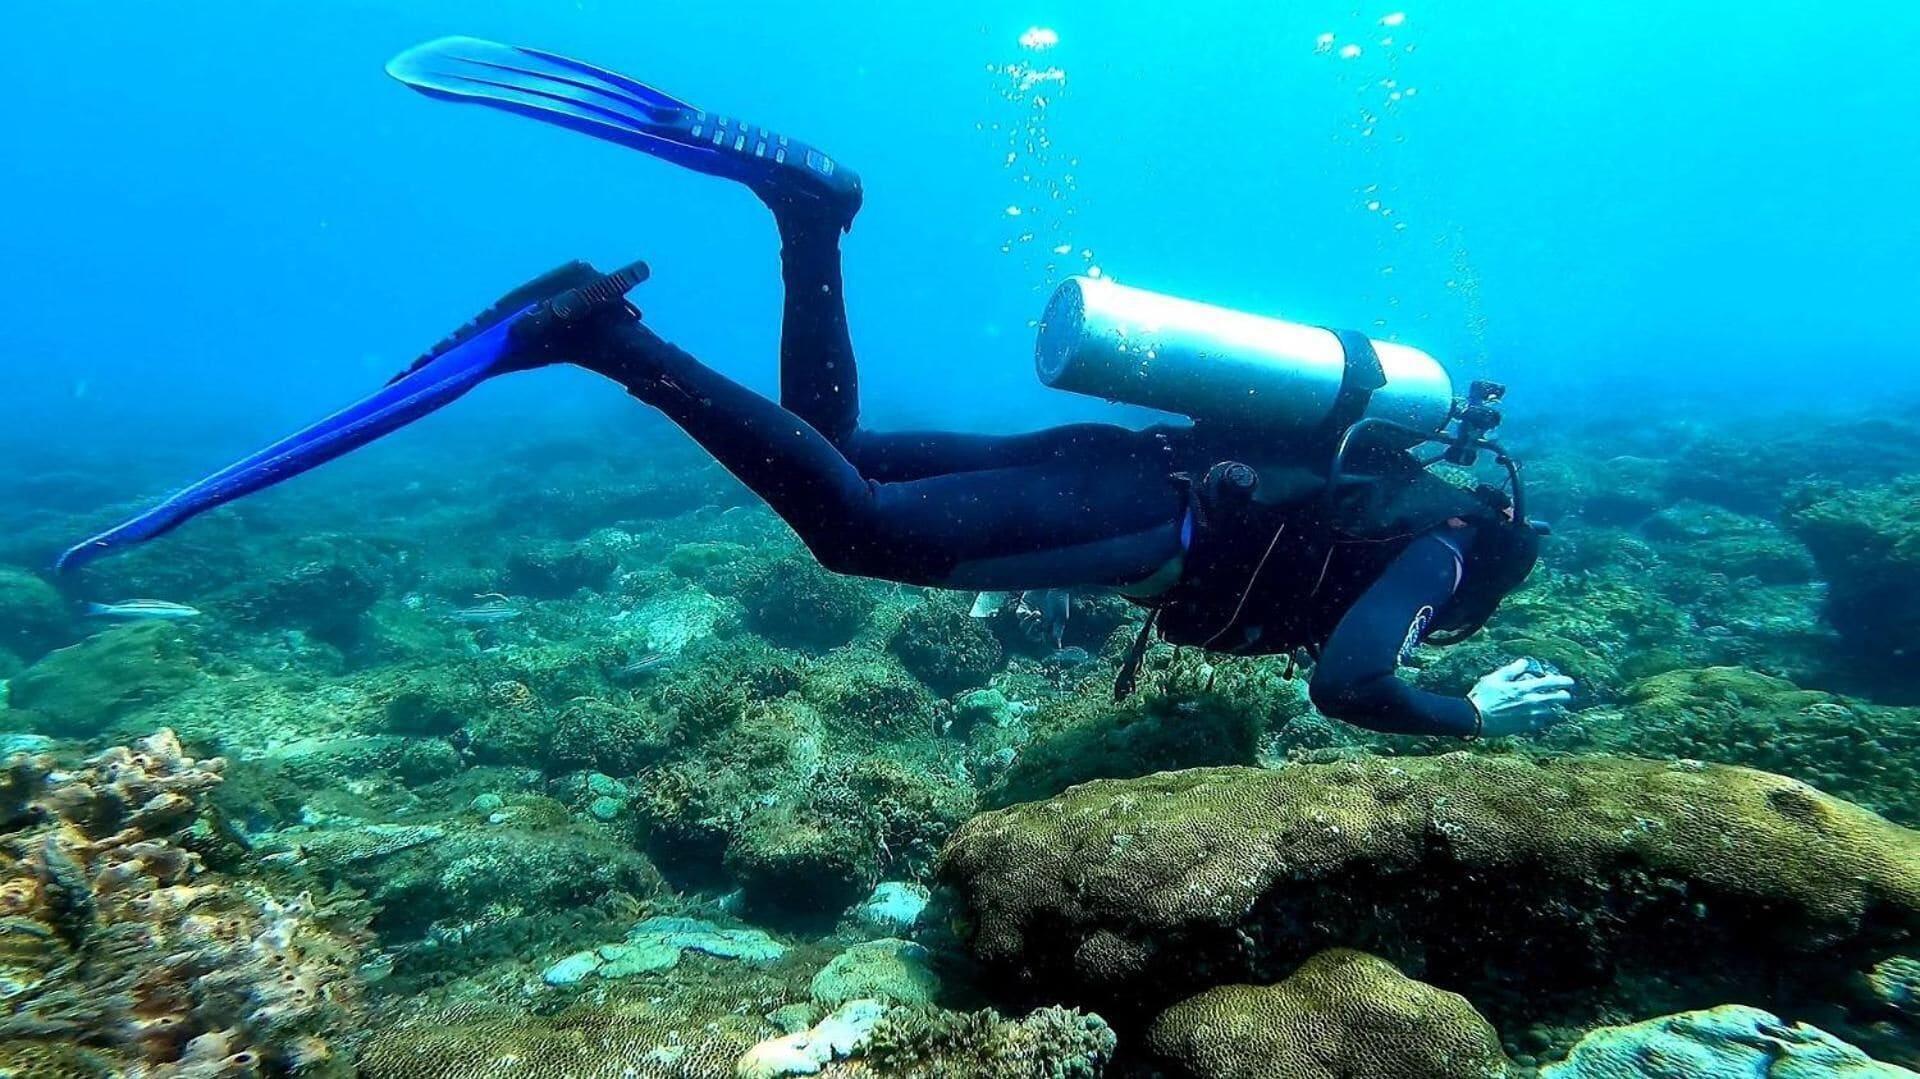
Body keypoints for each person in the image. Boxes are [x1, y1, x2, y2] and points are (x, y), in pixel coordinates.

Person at [59, 38, 1574, 739]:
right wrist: (1476, 709)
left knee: (832, 448)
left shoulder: (1407, 490)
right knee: (856, 530)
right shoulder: (1439, 553)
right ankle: (597, 338)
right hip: (1147, 514)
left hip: (1126, 464)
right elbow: (1352, 679)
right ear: (1488, 554)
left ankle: (808, 219)